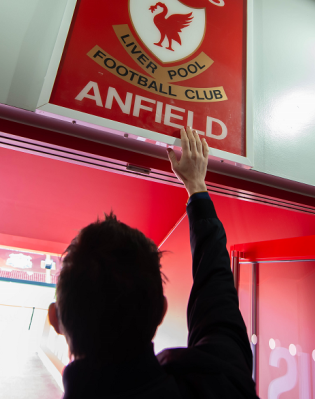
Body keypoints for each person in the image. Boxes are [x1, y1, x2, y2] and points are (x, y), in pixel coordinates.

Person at [47, 126, 258, 399]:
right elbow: (216, 295)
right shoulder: (218, 385)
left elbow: (217, 298)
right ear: (160, 311)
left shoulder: (220, 383)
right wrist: (196, 185)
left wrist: (197, 188)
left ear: (56, 318)